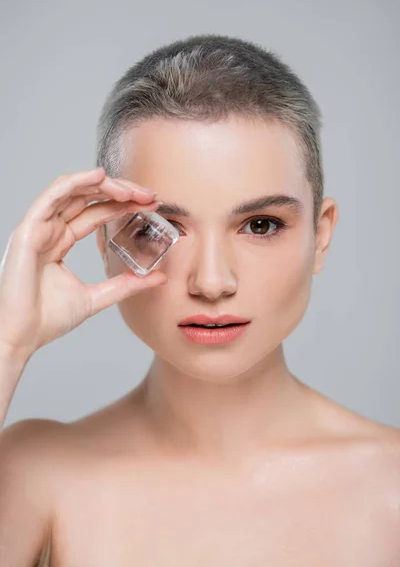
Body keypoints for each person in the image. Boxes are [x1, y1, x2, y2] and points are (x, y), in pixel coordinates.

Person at [0, 33, 399, 566]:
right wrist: (7, 339)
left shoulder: (390, 485)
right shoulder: (33, 474)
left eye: (260, 225)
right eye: (159, 229)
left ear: (320, 235)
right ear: (105, 242)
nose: (212, 283)